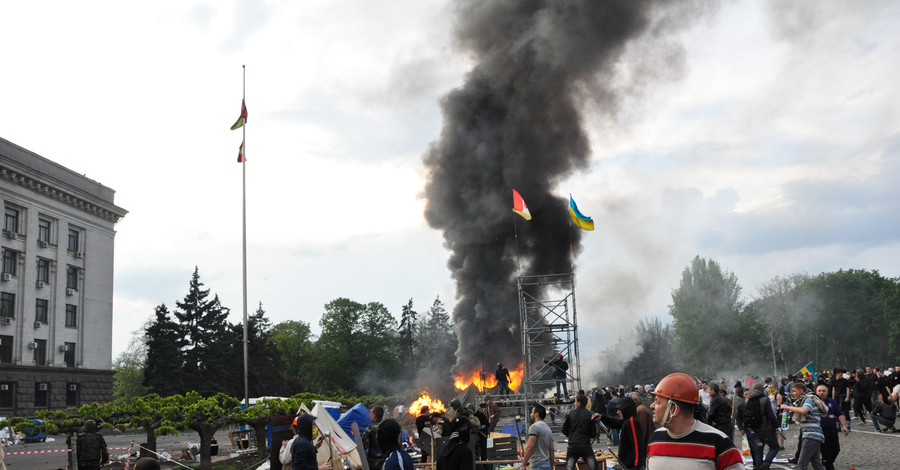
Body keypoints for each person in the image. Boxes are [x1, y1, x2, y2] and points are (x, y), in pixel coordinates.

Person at [646, 372, 744, 470]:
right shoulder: (655, 438)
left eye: (658, 402)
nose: (652, 406)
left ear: (673, 409)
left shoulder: (718, 442)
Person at [780, 381, 826, 470]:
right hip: (814, 435)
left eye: (794, 391)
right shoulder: (803, 400)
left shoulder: (808, 399)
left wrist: (787, 407)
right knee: (816, 463)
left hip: (811, 435)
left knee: (802, 463)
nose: (793, 393)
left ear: (801, 391)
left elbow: (804, 410)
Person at [596, 396, 646, 469]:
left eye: (619, 409)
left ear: (625, 409)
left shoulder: (632, 422)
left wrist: (637, 466)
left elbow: (637, 446)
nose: (617, 412)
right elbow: (616, 423)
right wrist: (602, 417)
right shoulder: (627, 421)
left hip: (632, 466)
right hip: (627, 465)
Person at [561, 394, 598, 470]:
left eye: (575, 401)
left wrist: (571, 436)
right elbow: (593, 433)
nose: (574, 403)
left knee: (569, 468)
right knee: (594, 467)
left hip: (573, 446)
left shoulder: (570, 413)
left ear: (579, 402)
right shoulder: (590, 414)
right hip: (585, 445)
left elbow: (564, 429)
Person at [816, 384, 848, 470]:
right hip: (820, 431)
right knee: (826, 452)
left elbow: (840, 414)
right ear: (816, 392)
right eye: (819, 391)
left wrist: (844, 426)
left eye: (824, 391)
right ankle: (828, 464)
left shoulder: (832, 402)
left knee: (836, 449)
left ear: (827, 392)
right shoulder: (813, 402)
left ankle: (825, 462)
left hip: (833, 430)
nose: (822, 393)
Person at [522, 404, 554, 470]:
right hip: (546, 463)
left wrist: (523, 464)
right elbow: (551, 449)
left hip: (537, 464)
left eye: (532, 412)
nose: (530, 414)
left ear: (536, 414)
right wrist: (551, 465)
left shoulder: (534, 427)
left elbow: (530, 446)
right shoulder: (548, 428)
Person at [363, 406, 386, 470]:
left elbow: (364, 445)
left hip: (373, 462)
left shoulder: (369, 429)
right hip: (385, 460)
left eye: (371, 413)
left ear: (374, 415)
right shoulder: (387, 427)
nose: (371, 415)